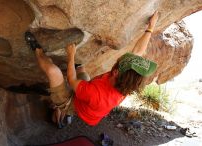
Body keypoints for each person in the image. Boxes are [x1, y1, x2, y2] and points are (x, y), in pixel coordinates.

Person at [25, 11, 159, 128]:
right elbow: (138, 51)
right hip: (87, 98)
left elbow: (71, 80)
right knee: (81, 69)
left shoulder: (98, 95)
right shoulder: (126, 82)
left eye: (120, 63)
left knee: (53, 72)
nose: (120, 61)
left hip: (73, 104)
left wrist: (71, 54)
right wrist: (150, 27)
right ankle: (60, 111)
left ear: (116, 72)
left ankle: (37, 50)